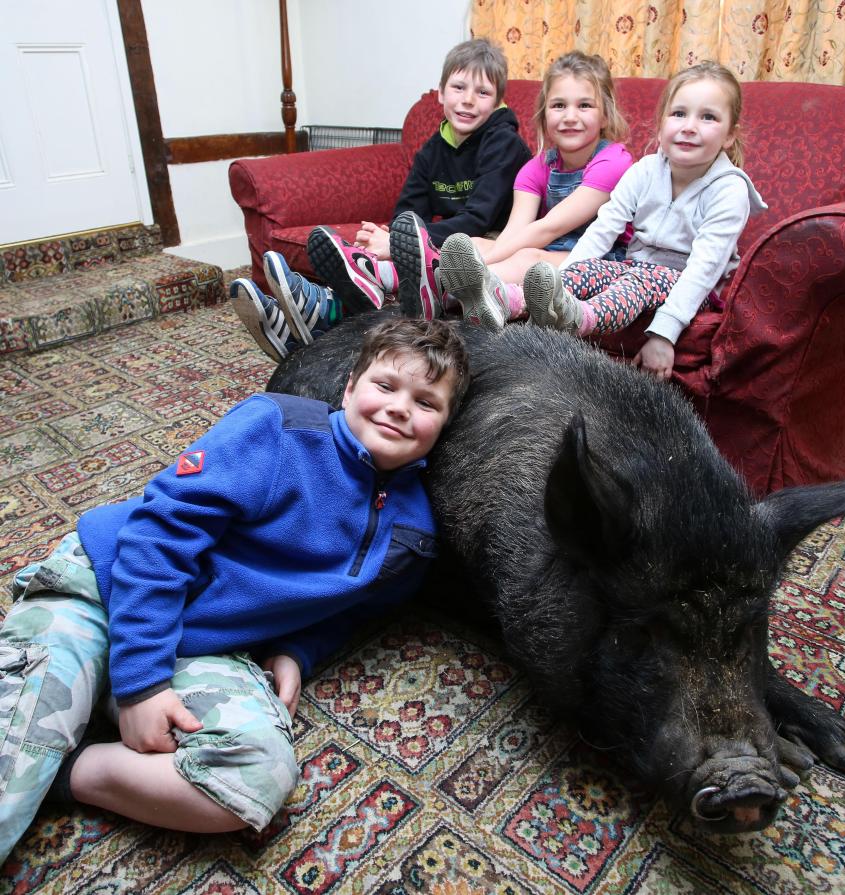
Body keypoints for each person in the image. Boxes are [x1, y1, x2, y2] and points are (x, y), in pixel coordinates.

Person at [0, 318, 469, 861]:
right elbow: (158, 537)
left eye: (426, 402)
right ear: (349, 387)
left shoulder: (416, 536)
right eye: (385, 386)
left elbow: (357, 611)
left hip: (204, 645)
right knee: (13, 750)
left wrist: (296, 650)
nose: (399, 408)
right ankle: (52, 737)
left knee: (255, 777)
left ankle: (68, 768)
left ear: (445, 424)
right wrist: (141, 684)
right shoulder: (275, 428)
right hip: (104, 588)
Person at [453, 61, 766, 381]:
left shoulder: (730, 190)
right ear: (660, 126)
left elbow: (703, 269)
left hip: (687, 288)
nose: (689, 126)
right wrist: (569, 277)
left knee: (639, 280)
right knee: (591, 268)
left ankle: (579, 318)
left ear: (730, 136)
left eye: (708, 117)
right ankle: (505, 300)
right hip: (635, 267)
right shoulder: (645, 171)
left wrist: (664, 334)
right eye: (679, 114)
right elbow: (604, 229)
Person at [231, 37, 530, 360]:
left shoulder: (503, 143)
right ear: (441, 93)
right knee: (395, 244)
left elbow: (479, 219)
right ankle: (317, 309)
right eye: (459, 88)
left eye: (482, 93)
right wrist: (391, 237)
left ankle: (327, 309)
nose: (468, 100)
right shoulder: (434, 148)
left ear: (498, 101)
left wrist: (403, 242)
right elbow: (408, 209)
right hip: (457, 237)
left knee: (415, 249)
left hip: (497, 240)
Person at [437, 51, 633, 329]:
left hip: (600, 258)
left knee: (528, 258)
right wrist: (483, 252)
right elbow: (515, 231)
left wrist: (485, 262)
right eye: (559, 105)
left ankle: (444, 290)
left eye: (585, 105)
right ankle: (427, 280)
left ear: (605, 116)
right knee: (475, 242)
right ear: (544, 115)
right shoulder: (535, 168)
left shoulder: (614, 162)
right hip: (551, 247)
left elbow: (548, 228)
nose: (570, 117)